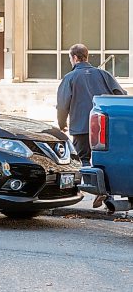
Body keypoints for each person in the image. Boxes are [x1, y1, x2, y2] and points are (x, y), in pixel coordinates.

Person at [56, 43, 126, 208]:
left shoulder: (70, 78)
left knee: (82, 160)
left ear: (74, 58)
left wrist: (61, 123)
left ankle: (95, 190)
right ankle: (108, 194)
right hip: (105, 127)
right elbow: (121, 95)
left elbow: (62, 104)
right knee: (105, 162)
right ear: (86, 56)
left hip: (82, 127)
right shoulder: (103, 74)